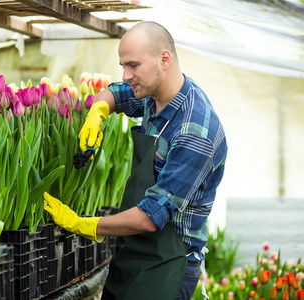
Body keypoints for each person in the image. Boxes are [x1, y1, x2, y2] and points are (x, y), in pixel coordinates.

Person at [44, 21, 227, 300]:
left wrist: (84, 224)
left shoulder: (194, 132)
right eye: (123, 65)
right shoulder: (154, 95)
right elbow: (116, 93)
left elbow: (150, 217)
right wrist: (97, 114)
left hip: (167, 265)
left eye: (133, 65)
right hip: (133, 252)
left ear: (164, 59)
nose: (126, 74)